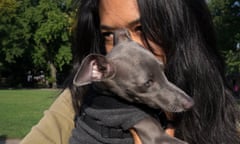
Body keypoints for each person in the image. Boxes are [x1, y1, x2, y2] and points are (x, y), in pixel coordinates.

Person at [20, 0, 240, 144]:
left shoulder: (228, 117)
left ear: (184, 28)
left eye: (142, 28)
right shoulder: (78, 101)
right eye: (109, 34)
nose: (131, 50)